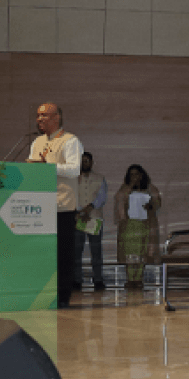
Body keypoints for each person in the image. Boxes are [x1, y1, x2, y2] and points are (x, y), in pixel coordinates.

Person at [28, 102, 83, 308]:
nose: (39, 119)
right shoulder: (37, 142)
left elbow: (74, 170)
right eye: (38, 115)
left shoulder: (70, 141)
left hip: (62, 207)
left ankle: (62, 296)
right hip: (39, 207)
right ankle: (42, 294)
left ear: (56, 118)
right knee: (42, 253)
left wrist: (48, 167)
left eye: (44, 115)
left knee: (62, 254)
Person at [114, 164, 161, 289]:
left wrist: (150, 205)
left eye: (136, 174)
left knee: (142, 252)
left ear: (142, 175)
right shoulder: (125, 188)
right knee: (130, 252)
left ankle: (139, 278)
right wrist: (130, 188)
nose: (134, 177)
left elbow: (157, 203)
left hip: (145, 224)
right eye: (131, 174)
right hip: (129, 225)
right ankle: (130, 279)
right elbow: (119, 201)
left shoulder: (150, 188)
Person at [74, 152, 108, 291]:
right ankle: (76, 280)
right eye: (82, 161)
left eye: (87, 161)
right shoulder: (73, 178)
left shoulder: (100, 178)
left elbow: (102, 197)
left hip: (94, 217)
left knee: (96, 251)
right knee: (76, 251)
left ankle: (98, 279)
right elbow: (71, 196)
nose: (85, 163)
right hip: (77, 217)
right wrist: (80, 211)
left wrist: (89, 208)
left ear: (92, 162)